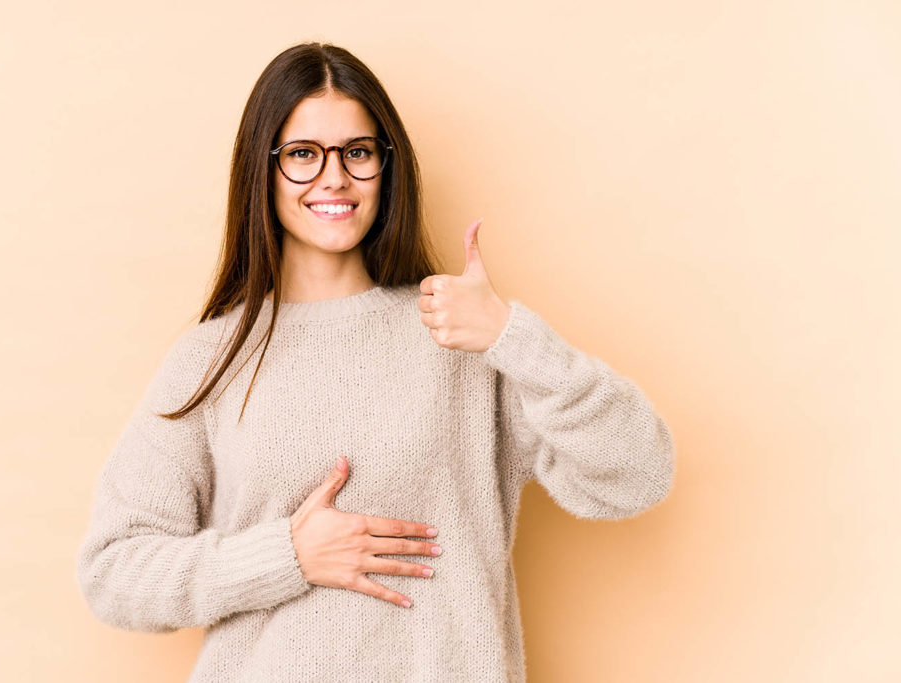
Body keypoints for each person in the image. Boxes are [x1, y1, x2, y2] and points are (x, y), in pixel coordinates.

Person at [75, 41, 676, 682]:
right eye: (303, 155)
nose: (334, 178)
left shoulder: (459, 336)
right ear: (263, 169)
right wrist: (289, 555)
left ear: (386, 168)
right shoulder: (211, 359)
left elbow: (637, 476)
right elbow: (113, 573)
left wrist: (511, 337)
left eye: (357, 153)